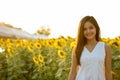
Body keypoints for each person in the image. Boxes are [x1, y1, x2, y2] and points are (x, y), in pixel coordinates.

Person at [68, 16, 113, 80]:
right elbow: (73, 73)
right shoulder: (77, 49)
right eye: (85, 29)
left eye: (91, 28)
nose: (88, 31)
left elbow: (108, 72)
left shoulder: (105, 48)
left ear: (96, 28)